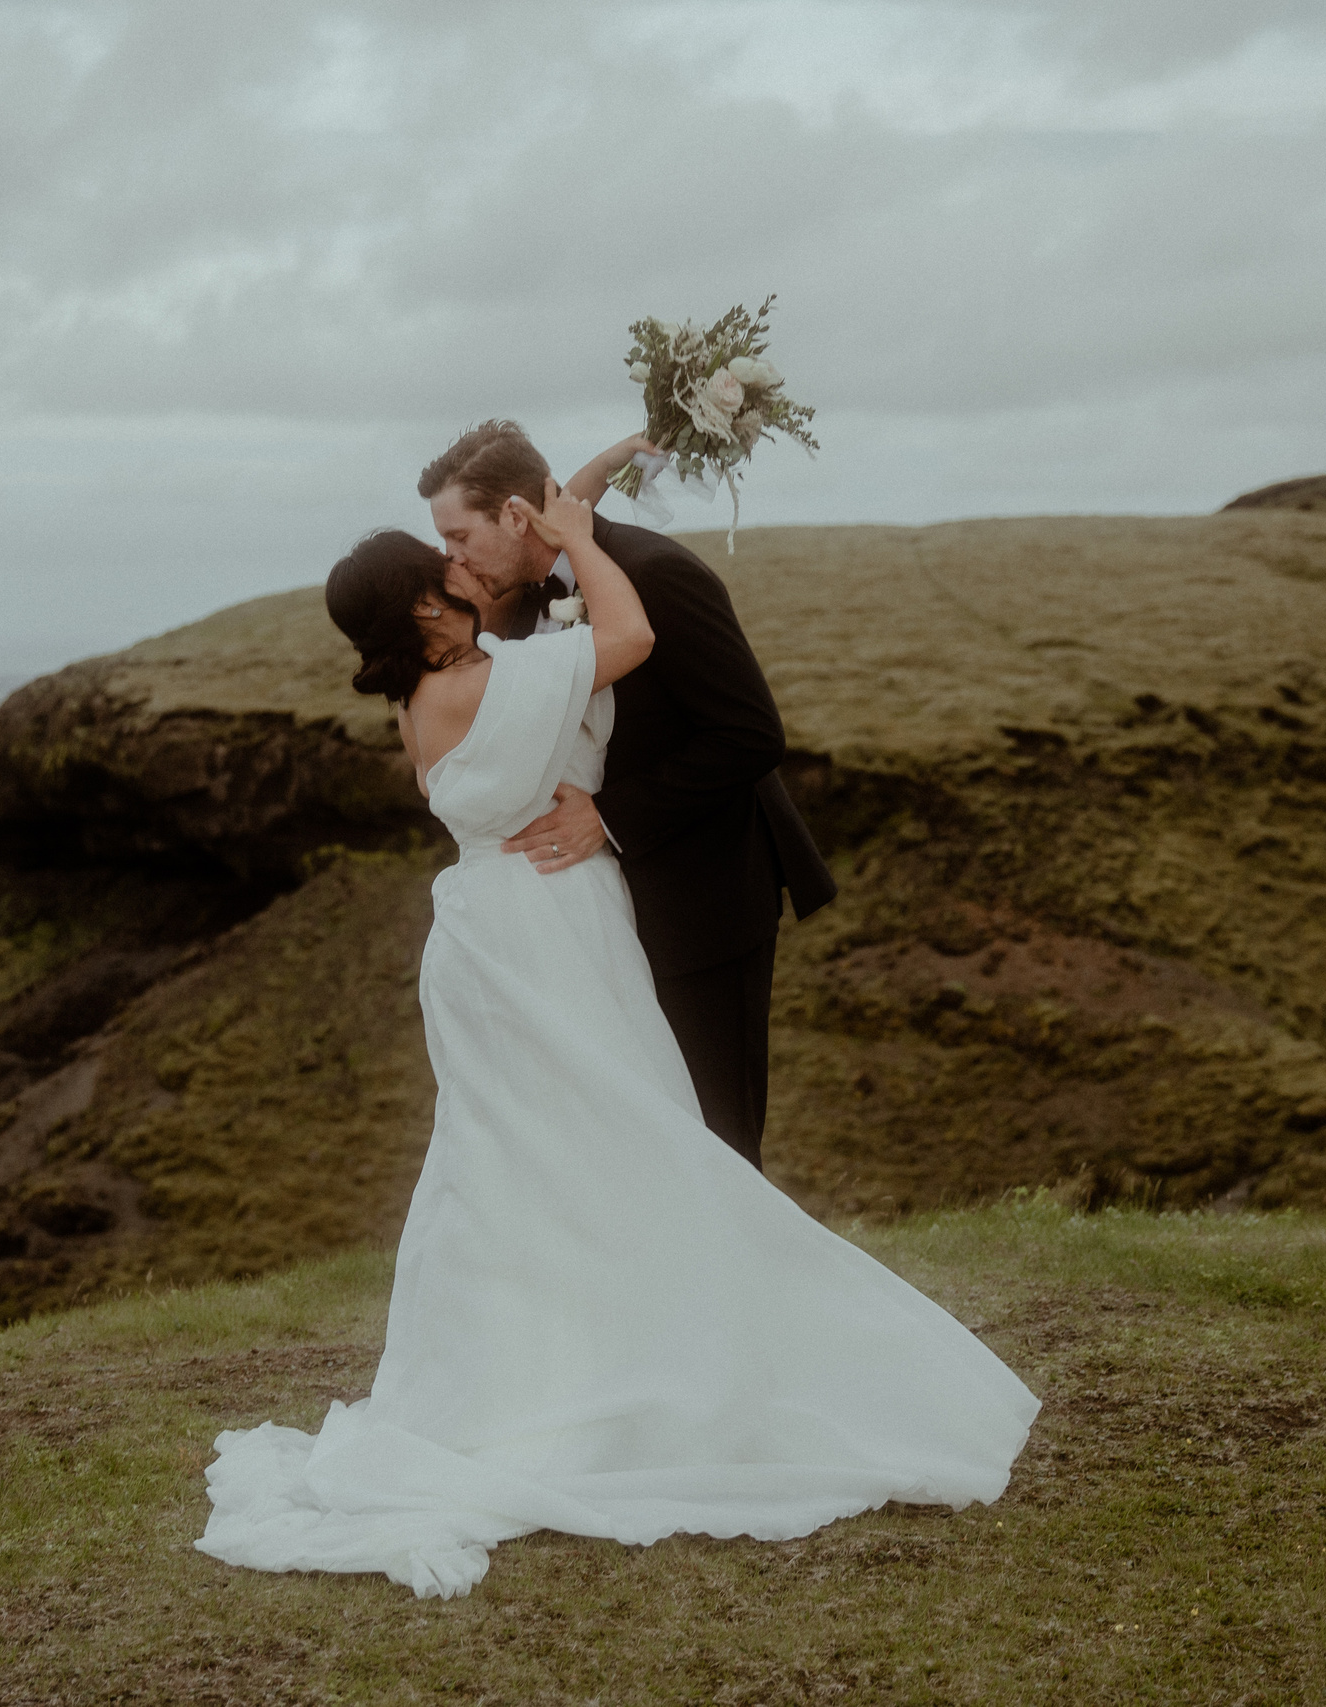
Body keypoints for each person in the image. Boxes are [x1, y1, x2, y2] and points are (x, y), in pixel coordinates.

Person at [192, 461, 1039, 1600]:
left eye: (460, 539)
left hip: (485, 933)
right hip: (551, 928)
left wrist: (567, 505)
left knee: (516, 1163)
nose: (459, 564)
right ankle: (664, 1357)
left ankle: (549, 1367)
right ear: (424, 607)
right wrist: (584, 539)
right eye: (441, 560)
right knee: (622, 1134)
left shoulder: (434, 689)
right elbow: (627, 639)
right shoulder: (499, 678)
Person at [420, 422, 835, 1169]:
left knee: (718, 1131)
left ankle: (746, 1281)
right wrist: (613, 457)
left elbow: (751, 734)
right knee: (647, 1130)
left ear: (516, 517)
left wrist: (608, 819)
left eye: (457, 536)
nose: (450, 557)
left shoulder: (659, 573)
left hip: (704, 892)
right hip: (607, 913)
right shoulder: (523, 591)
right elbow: (557, 509)